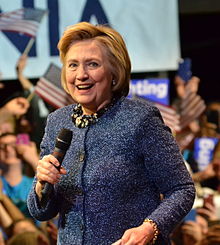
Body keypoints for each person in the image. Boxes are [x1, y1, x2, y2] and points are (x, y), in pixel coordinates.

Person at [27, 22, 195, 245]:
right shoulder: (57, 121)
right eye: (73, 65)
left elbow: (181, 189)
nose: (81, 75)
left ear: (114, 71)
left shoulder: (140, 119)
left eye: (92, 64)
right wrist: (41, 186)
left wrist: (149, 228)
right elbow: (41, 212)